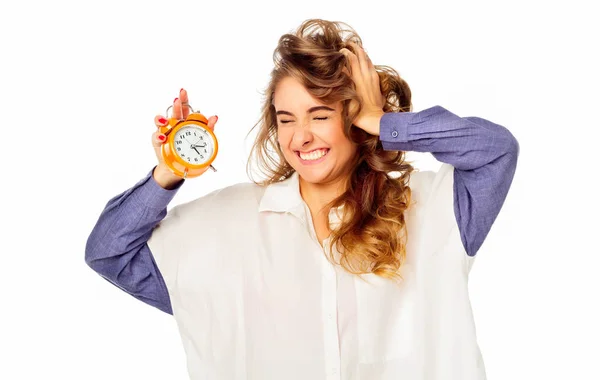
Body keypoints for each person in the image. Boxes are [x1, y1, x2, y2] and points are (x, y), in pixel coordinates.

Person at [85, 19, 519, 380]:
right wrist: (170, 171)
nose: (301, 135)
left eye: (321, 114)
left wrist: (381, 120)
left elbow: (496, 150)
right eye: (286, 118)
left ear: (352, 118)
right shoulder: (226, 223)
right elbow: (109, 252)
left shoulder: (435, 211)